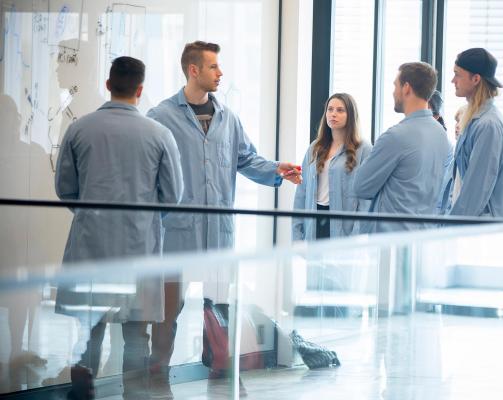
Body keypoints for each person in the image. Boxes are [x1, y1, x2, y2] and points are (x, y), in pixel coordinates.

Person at [146, 41, 301, 396]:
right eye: (214, 66)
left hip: (219, 233)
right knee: (168, 310)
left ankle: (223, 371)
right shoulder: (161, 117)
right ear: (193, 70)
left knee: (220, 308)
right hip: (177, 234)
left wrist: (278, 170)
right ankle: (158, 375)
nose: (220, 73)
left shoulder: (228, 118)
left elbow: (246, 159)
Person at [54, 56, 184, 399]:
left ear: (109, 85)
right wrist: (144, 221)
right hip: (138, 250)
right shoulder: (159, 134)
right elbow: (173, 195)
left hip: (90, 247)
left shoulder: (79, 129)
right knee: (136, 337)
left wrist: (89, 216)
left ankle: (82, 397)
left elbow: (65, 188)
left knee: (87, 333)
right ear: (140, 89)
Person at [353, 62, 452, 232]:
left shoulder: (395, 137)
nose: (393, 92)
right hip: (423, 235)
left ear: (406, 88)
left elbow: (361, 187)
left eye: (395, 85)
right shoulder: (442, 136)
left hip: (391, 241)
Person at [292, 93, 371, 241]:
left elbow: (366, 199)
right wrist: (296, 234)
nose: (333, 114)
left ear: (351, 115)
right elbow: (301, 192)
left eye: (340, 110)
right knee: (314, 264)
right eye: (330, 109)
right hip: (314, 223)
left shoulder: (364, 149)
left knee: (339, 264)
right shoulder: (315, 147)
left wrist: (357, 234)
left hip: (344, 227)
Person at [446, 47, 503, 217]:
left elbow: (476, 191)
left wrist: (451, 227)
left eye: (457, 74)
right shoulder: (474, 119)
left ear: (475, 79)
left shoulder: (488, 125)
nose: (453, 80)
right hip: (470, 225)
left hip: (479, 229)